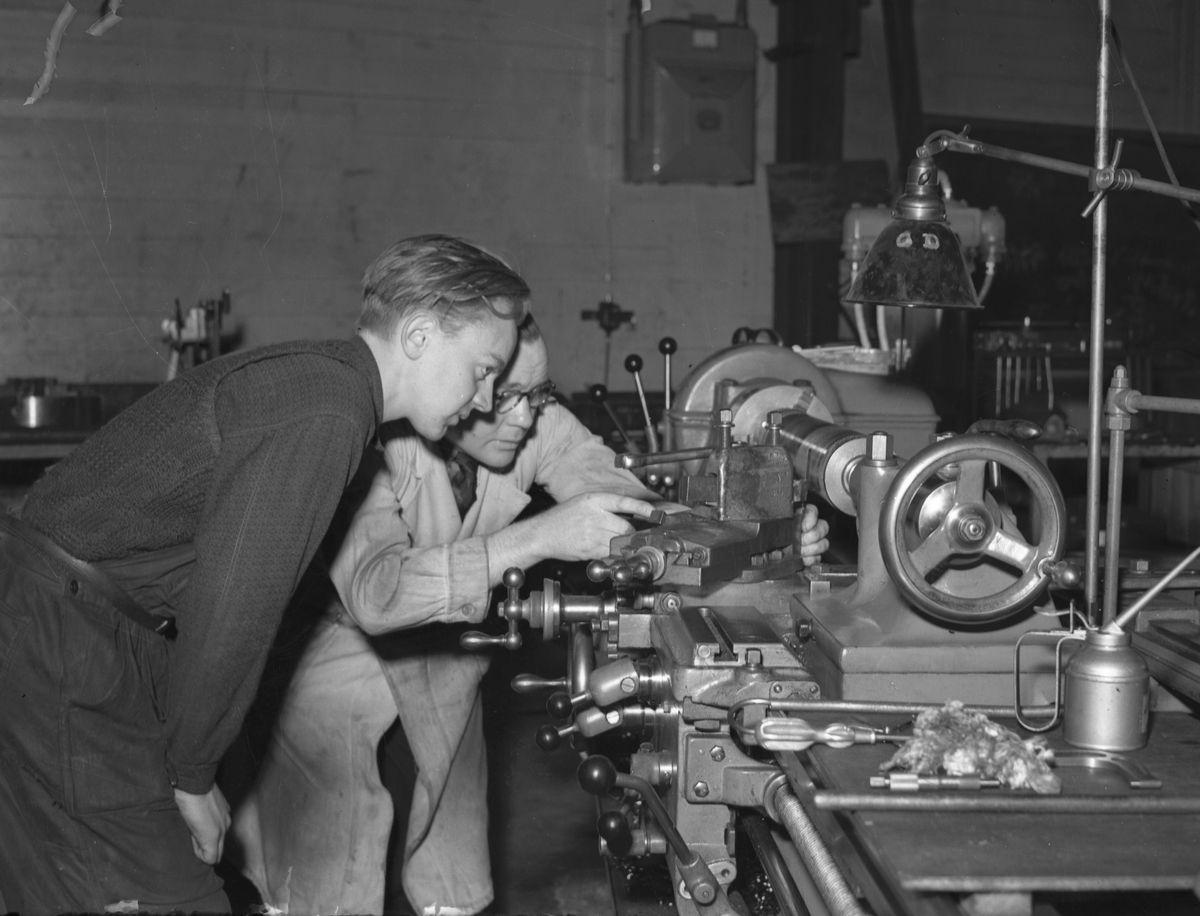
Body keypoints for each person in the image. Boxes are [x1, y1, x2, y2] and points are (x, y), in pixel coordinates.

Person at [0, 234, 536, 915]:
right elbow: (234, 607)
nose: (485, 399)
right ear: (421, 336)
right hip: (63, 630)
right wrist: (193, 776)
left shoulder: (325, 383)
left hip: (72, 617)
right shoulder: (327, 411)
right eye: (483, 370)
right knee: (165, 895)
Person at [231, 319, 831, 915]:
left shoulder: (534, 421)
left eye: (538, 394)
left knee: (441, 877)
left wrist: (759, 542)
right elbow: (376, 593)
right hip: (337, 662)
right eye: (506, 394)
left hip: (443, 662)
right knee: (330, 869)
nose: (523, 416)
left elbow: (627, 502)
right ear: (460, 383)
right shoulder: (375, 443)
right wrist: (538, 537)